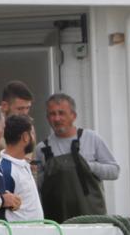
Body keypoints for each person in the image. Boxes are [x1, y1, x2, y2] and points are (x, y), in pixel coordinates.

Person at [38, 93, 118, 221]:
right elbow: (38, 187)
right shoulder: (41, 148)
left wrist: (89, 166)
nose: (57, 118)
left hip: (92, 219)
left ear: (73, 116)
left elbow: (114, 171)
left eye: (61, 113)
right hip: (57, 222)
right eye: (52, 114)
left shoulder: (91, 138)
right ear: (47, 118)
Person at [0, 114, 44, 222]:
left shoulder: (23, 164)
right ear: (25, 137)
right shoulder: (5, 170)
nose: (34, 138)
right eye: (32, 133)